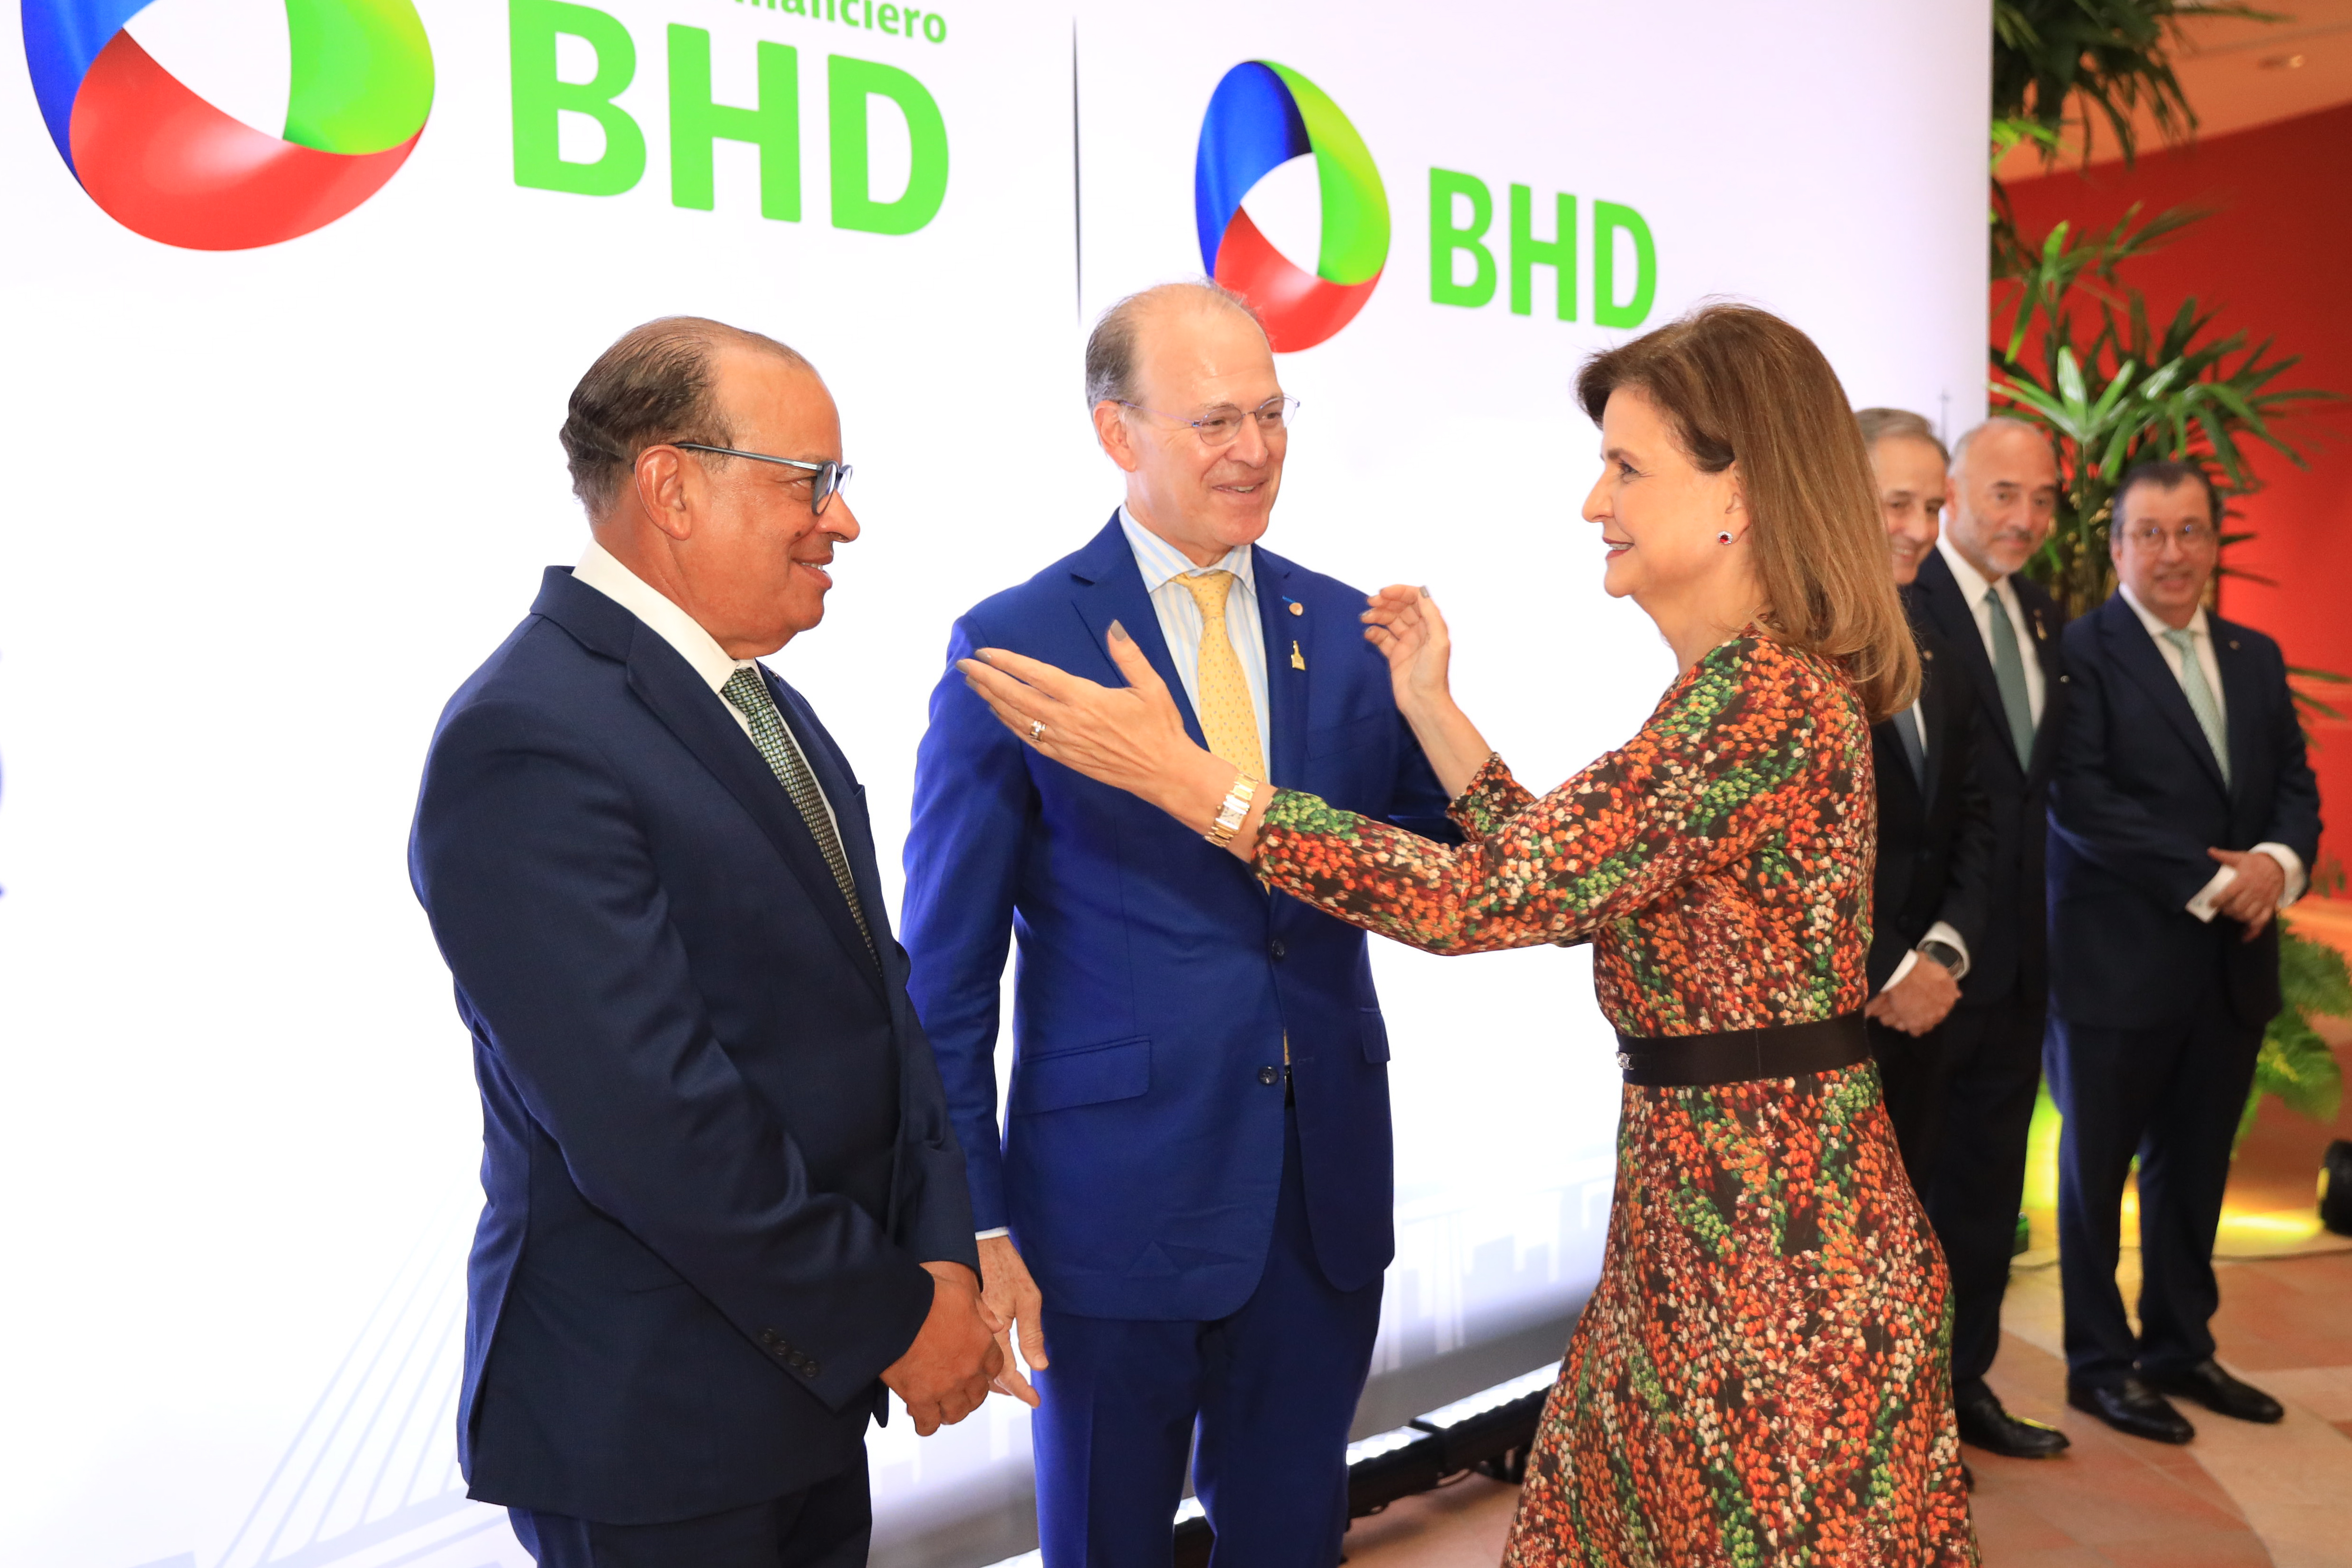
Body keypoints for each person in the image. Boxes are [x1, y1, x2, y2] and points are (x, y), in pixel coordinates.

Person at [958, 304, 1978, 1566]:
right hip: (1713, 1219)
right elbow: (1569, 873)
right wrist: (1434, 712)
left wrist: (1197, 784)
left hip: (1771, 1248)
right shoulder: (1739, 692)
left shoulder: (1755, 701)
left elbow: (1486, 897)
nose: (1594, 502)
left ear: (1737, 496)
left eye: (1626, 467)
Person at [409, 318, 1001, 1568]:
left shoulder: (765, 704)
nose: (842, 522)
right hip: (655, 1430)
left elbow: (883, 1011)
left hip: (803, 1398)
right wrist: (898, 1315)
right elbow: (654, 1123)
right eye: (811, 482)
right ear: (672, 486)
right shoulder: (527, 738)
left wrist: (943, 1257)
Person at [899, 281, 1456, 1567]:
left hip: (1319, 1201)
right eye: (1214, 421)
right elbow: (948, 976)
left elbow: (1456, 870)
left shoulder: (1349, 629)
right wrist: (974, 1221)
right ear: (1117, 431)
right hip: (1105, 1216)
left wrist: (1436, 706)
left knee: (1294, 1538)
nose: (1254, 449)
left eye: (1271, 413)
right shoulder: (1017, 640)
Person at [2046, 459, 2321, 1443]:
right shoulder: (2078, 651)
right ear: (2117, 544)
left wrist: (2276, 864)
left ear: (2214, 542)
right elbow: (2080, 798)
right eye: (2150, 533)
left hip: (2228, 970)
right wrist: (2216, 882)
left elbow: (2293, 783)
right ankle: (2098, 1364)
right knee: (2095, 1177)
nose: (2172, 552)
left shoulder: (2254, 654)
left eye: (2190, 531)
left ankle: (2178, 1346)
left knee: (2195, 1169)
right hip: (2116, 964)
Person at [1906, 416, 2072, 1459]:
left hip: (2017, 969)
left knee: (1983, 1199)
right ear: (1956, 495)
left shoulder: (2040, 613)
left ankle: (1965, 1386)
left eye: (2043, 498)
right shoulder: (1903, 600)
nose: (2026, 517)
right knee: (1911, 1205)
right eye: (2004, 494)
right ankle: (1906, 1424)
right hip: (1922, 968)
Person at [1854, 409, 1995, 1195]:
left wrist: (1941, 954)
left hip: (1928, 1020)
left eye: (1933, 507)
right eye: (1897, 505)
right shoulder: (1784, 653)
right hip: (1825, 1034)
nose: (1920, 529)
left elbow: (1973, 814)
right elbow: (1785, 862)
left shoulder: (1939, 645)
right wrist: (1892, 969)